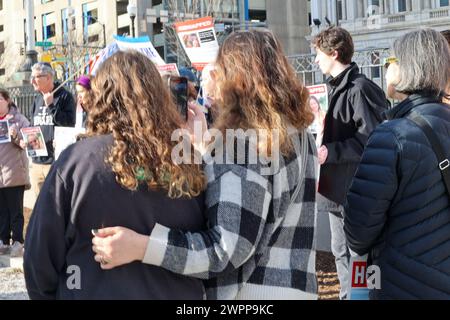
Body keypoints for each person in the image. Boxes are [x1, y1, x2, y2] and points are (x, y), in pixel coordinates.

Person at [92, 29, 319, 300]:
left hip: (248, 294)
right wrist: (206, 149)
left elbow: (226, 247)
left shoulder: (245, 141)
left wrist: (142, 246)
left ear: (236, 79)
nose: (214, 80)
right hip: (297, 287)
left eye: (220, 70)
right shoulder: (300, 134)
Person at [23, 51, 207, 300]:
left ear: (100, 97)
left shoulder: (75, 163)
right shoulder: (188, 159)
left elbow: (39, 260)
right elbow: (210, 248)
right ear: (159, 96)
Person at [344, 29, 450, 300]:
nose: (388, 67)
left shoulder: (392, 135)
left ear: (409, 68)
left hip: (403, 284)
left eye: (392, 60)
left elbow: (358, 231)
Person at [312, 27, 389, 299]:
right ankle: (350, 296)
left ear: (334, 53)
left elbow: (370, 139)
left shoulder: (359, 88)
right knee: (340, 250)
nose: (316, 60)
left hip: (354, 189)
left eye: (319, 54)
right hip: (337, 188)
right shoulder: (340, 87)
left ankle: (362, 296)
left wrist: (330, 152)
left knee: (359, 254)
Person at [29, 62, 76, 201]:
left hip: (55, 161)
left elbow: (68, 123)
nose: (32, 81)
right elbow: (33, 125)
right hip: (37, 160)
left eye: (36, 77)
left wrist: (51, 106)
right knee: (40, 205)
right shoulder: (37, 99)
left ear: (48, 77)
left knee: (56, 202)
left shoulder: (64, 96)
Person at [0, 89, 30, 257]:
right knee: (2, 211)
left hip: (14, 173)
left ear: (7, 101)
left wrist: (16, 135)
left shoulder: (19, 120)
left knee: (15, 211)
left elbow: (30, 142)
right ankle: (3, 241)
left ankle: (18, 241)